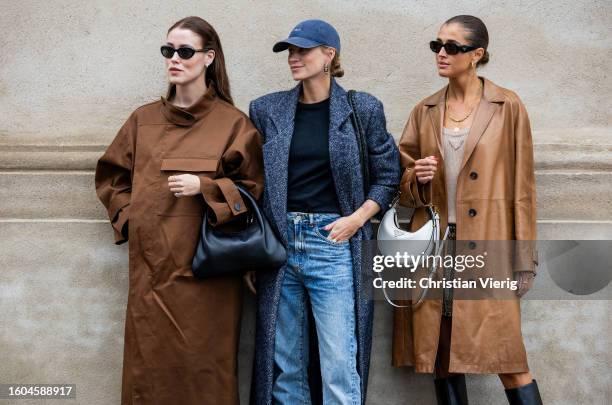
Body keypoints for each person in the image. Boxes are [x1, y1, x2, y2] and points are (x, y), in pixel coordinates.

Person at [95, 16, 263, 405]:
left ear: (208, 57)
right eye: (168, 50)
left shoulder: (233, 123)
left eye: (185, 51)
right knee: (148, 374)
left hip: (211, 276)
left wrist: (204, 186)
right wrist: (130, 218)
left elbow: (253, 192)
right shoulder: (143, 120)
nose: (174, 58)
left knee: (207, 373)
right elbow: (112, 177)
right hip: (152, 273)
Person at [247, 19, 401, 405]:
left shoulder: (361, 108)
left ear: (329, 55)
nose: (294, 58)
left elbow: (388, 176)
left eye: (303, 50)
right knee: (286, 366)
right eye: (290, 52)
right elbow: (253, 180)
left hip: (334, 242)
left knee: (338, 362)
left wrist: (356, 219)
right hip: (280, 246)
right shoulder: (267, 110)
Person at [394, 15, 543, 405]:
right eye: (436, 45)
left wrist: (523, 258)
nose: (441, 53)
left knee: (509, 358)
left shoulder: (506, 106)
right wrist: (417, 177)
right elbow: (403, 188)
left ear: (476, 55)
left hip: (490, 251)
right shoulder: (424, 109)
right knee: (443, 357)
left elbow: (523, 189)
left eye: (452, 47)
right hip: (437, 251)